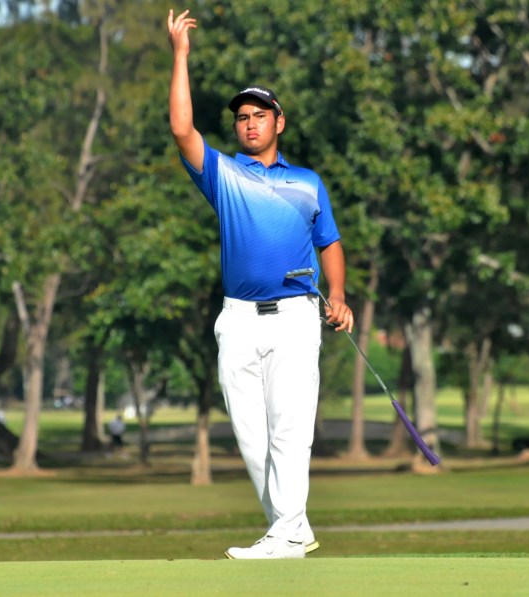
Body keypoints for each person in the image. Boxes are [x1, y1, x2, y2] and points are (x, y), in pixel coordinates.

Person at [168, 9, 355, 560]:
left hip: (297, 315)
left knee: (289, 431)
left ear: (280, 122)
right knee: (251, 437)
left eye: (259, 115)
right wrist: (180, 55)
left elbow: (331, 243)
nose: (249, 123)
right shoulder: (223, 175)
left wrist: (338, 296)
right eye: (242, 117)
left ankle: (286, 532)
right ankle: (289, 527)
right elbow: (182, 129)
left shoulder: (307, 182)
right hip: (238, 319)